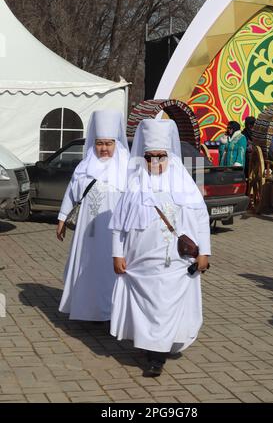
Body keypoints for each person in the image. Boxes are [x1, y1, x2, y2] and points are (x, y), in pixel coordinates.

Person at [109, 119, 211, 377]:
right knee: (146, 308)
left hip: (175, 264)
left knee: (165, 307)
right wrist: (117, 254)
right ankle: (150, 345)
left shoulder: (185, 183)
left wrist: (204, 252)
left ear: (169, 155)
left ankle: (157, 357)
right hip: (140, 263)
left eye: (160, 157)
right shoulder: (133, 185)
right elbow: (119, 225)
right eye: (150, 157)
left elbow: (200, 219)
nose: (155, 162)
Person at [56, 110, 129, 320]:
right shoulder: (84, 165)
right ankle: (88, 310)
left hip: (115, 232)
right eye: (99, 143)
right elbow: (71, 193)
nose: (104, 148)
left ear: (116, 142)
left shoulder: (127, 166)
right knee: (86, 267)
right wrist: (61, 219)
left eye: (108, 143)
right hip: (87, 232)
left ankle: (112, 313)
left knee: (110, 270)